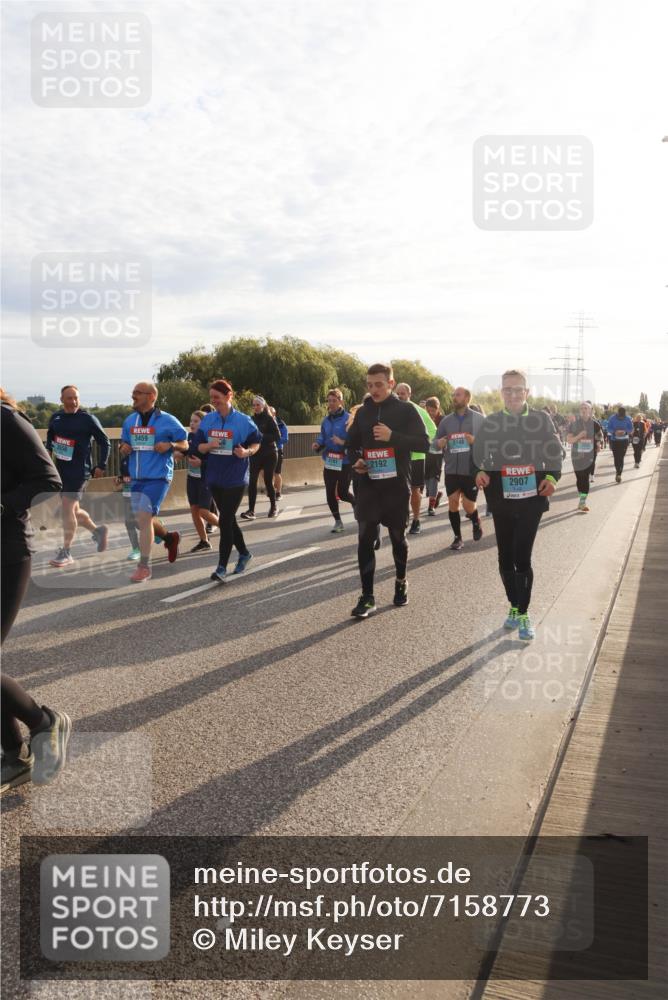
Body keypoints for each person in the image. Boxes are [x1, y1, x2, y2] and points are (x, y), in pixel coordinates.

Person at [1, 390, 72, 794]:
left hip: (6, 553)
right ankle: (14, 757)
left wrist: (1, 505)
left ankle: (44, 723)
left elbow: (48, 479)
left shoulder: (6, 420)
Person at [473, 369, 562, 641]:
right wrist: (479, 471)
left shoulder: (540, 419)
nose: (513, 394)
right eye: (508, 390)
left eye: (518, 389)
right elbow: (479, 454)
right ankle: (514, 605)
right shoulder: (491, 422)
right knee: (504, 558)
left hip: (531, 500)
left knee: (522, 557)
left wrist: (551, 477)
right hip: (501, 500)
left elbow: (555, 451)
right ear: (502, 392)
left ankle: (523, 613)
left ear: (527, 392)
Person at [346, 364, 429, 617]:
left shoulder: (406, 410)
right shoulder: (363, 413)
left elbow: (424, 444)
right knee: (364, 538)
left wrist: (393, 436)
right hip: (369, 485)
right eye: (369, 385)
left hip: (396, 487)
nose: (373, 390)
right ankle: (367, 596)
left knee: (397, 538)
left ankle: (401, 581)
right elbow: (351, 444)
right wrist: (357, 460)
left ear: (391, 384)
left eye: (379, 384)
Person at [193, 379, 262, 581]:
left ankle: (221, 567)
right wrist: (209, 446)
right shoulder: (208, 420)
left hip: (236, 478)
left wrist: (247, 452)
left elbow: (257, 442)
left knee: (224, 520)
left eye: (217, 397)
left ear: (229, 396)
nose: (214, 400)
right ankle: (245, 553)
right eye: (211, 397)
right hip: (214, 477)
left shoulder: (243, 421)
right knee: (229, 520)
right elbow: (198, 447)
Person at [119, 381, 188, 583]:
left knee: (143, 516)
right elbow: (124, 443)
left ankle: (144, 567)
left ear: (151, 396)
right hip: (136, 478)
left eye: (138, 393)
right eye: (133, 392)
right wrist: (123, 447)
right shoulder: (130, 420)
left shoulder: (167, 420)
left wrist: (170, 445)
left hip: (158, 477)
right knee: (140, 520)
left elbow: (185, 443)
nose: (133, 396)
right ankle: (169, 537)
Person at [45, 385, 111, 568]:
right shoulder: (56, 418)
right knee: (74, 510)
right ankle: (98, 532)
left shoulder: (87, 418)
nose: (74, 401)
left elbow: (105, 442)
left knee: (67, 508)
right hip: (62, 471)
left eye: (76, 398)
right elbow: (50, 442)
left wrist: (101, 465)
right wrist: (47, 463)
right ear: (61, 400)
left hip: (80, 472)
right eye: (69, 398)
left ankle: (66, 552)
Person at [435, 386, 485, 550]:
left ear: (467, 398)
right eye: (454, 395)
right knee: (453, 502)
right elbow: (434, 443)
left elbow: (489, 443)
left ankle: (475, 519)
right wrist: (439, 443)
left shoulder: (479, 419)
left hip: (470, 469)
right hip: (451, 470)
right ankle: (457, 537)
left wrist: (475, 441)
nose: (454, 398)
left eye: (458, 395)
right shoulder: (446, 421)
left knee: (468, 505)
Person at [394, 383, 437, 535]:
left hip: (416, 457)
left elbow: (433, 431)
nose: (400, 396)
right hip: (398, 457)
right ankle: (401, 518)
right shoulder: (392, 410)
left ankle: (416, 520)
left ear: (409, 394)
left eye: (403, 393)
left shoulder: (419, 410)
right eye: (398, 393)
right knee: (398, 489)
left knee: (414, 489)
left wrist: (416, 443)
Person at [312, 388, 356, 533]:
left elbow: (355, 440)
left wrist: (342, 442)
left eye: (334, 400)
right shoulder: (326, 421)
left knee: (343, 493)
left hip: (345, 461)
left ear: (341, 401)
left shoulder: (349, 419)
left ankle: (355, 503)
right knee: (330, 492)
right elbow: (323, 437)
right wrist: (318, 443)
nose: (331, 403)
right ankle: (338, 521)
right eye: (329, 401)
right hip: (331, 459)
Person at [241, 396, 281, 519]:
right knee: (252, 482)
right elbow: (247, 436)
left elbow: (277, 436)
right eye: (253, 405)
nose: (255, 407)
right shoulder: (251, 419)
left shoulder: (269, 419)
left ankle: (273, 507)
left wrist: (261, 437)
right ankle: (251, 511)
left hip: (270, 454)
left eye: (258, 405)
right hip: (255, 454)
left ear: (263, 406)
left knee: (268, 481)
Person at [186, 410, 219, 552]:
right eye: (191, 421)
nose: (192, 424)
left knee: (204, 511)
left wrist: (202, 463)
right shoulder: (190, 436)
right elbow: (187, 451)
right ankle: (204, 541)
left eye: (196, 421)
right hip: (192, 478)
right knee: (194, 511)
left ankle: (229, 529)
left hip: (205, 478)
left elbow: (217, 461)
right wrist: (178, 453)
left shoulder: (209, 439)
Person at [567, 402, 603, 512]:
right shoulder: (574, 424)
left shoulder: (595, 424)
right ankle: (581, 498)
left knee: (585, 477)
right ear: (580, 411)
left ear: (590, 411)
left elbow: (600, 436)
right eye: (582, 408)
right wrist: (579, 436)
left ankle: (582, 501)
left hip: (589, 454)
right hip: (576, 454)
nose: (584, 410)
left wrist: (598, 443)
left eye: (586, 408)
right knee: (579, 477)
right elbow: (569, 440)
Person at [424, 397, 445, 516]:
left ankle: (431, 506)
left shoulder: (443, 420)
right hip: (424, 453)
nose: (431, 412)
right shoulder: (423, 418)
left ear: (438, 409)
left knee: (433, 478)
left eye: (433, 410)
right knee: (426, 479)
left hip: (437, 454)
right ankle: (436, 495)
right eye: (428, 410)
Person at [606, 406, 633, 483]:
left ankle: (619, 474)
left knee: (621, 457)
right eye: (620, 416)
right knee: (616, 457)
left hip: (624, 441)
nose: (621, 418)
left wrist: (625, 432)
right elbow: (608, 428)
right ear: (617, 413)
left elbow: (631, 429)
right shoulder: (612, 418)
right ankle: (618, 472)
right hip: (614, 441)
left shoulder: (628, 419)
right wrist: (615, 432)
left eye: (623, 416)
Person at [270, 406, 288, 499]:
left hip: (277, 450)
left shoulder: (281, 423)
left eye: (270, 412)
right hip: (266, 450)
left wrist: (274, 441)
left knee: (277, 473)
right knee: (264, 472)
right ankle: (271, 489)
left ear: (274, 413)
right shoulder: (263, 422)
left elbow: (285, 439)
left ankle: (278, 493)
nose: (268, 414)